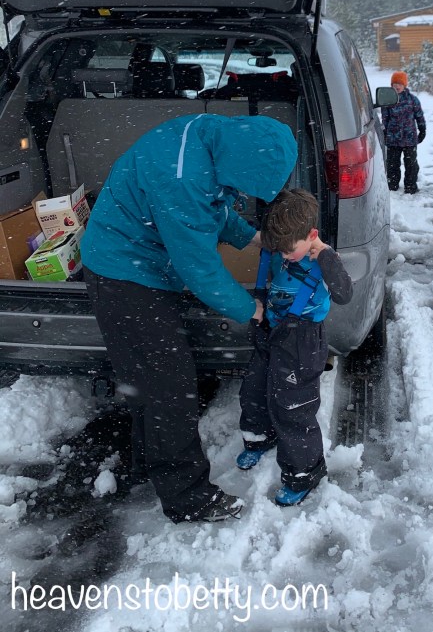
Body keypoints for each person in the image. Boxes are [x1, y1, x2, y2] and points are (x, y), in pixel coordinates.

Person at [80, 114, 297, 524]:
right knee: (170, 386)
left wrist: (254, 238)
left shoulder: (210, 138)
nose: (241, 194)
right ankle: (187, 497)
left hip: (136, 262)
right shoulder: (181, 177)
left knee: (148, 381)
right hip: (123, 272)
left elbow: (212, 206)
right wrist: (253, 309)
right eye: (245, 186)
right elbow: (200, 270)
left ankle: (147, 463)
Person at [236, 188, 352, 506]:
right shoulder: (283, 248)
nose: (285, 256)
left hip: (303, 341)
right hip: (273, 329)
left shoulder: (323, 259)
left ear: (311, 235)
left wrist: (326, 255)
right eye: (280, 251)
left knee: (293, 405)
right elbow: (275, 263)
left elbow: (344, 294)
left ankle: (304, 472)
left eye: (290, 251)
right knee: (255, 388)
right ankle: (259, 436)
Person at [381, 70, 426, 194]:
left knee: (411, 164)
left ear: (404, 85)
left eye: (399, 84)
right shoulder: (388, 100)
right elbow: (385, 118)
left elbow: (419, 116)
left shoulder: (412, 100)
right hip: (393, 138)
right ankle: (392, 184)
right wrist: (384, 132)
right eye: (394, 83)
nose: (397, 86)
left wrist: (422, 129)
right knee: (392, 164)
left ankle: (410, 186)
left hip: (409, 138)